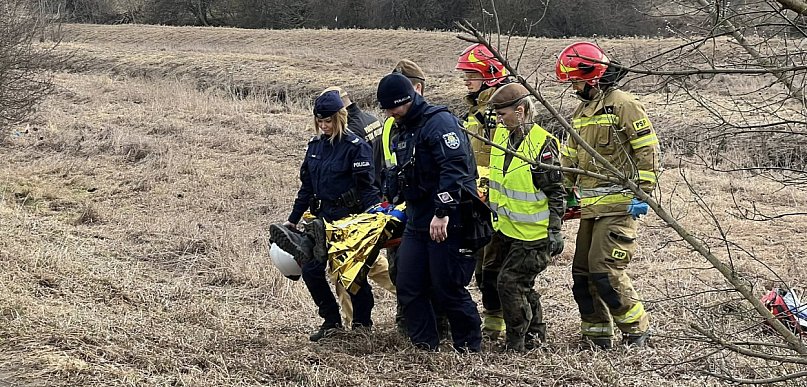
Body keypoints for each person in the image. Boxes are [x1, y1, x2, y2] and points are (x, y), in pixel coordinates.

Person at [555, 41, 660, 349]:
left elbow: (647, 148)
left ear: (594, 75)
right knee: (583, 274)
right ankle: (597, 334)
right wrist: (561, 191)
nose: (573, 85)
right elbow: (569, 158)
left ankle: (636, 329)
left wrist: (644, 191)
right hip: (591, 208)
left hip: (620, 205)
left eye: (575, 79)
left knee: (605, 271)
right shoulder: (581, 111)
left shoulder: (623, 103)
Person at [376, 72, 482, 352]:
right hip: (417, 217)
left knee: (446, 287)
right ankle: (424, 342)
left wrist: (442, 211)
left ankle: (468, 344)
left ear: (408, 99)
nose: (390, 113)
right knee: (408, 284)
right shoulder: (402, 128)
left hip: (447, 219)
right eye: (386, 109)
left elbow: (455, 168)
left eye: (393, 107)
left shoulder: (439, 122)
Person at [271, 90, 380, 342]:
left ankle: (363, 324)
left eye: (328, 121)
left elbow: (368, 188)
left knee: (352, 275)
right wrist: (293, 219)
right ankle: (331, 321)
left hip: (350, 219)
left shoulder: (355, 147)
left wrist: (374, 218)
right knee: (310, 270)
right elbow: (306, 187)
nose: (324, 126)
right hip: (320, 220)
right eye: (319, 121)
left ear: (339, 118)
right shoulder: (315, 147)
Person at [484, 83, 566, 352]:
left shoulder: (543, 144)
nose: (498, 119)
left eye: (503, 114)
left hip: (534, 234)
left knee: (510, 283)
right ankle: (535, 334)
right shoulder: (500, 137)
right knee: (515, 283)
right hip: (506, 229)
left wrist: (555, 231)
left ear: (520, 111)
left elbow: (556, 193)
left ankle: (516, 342)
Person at [316, 86, 396, 329]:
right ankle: (411, 295)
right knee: (370, 262)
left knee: (347, 268)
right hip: (376, 197)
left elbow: (353, 174)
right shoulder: (373, 120)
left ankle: (355, 322)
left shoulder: (350, 132)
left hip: (353, 208)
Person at [455, 43, 512, 340]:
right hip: (478, 200)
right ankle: (492, 324)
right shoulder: (477, 110)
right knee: (479, 266)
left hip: (497, 202)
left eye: (471, 74)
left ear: (490, 74)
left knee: (492, 268)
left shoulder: (497, 112)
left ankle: (497, 324)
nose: (466, 80)